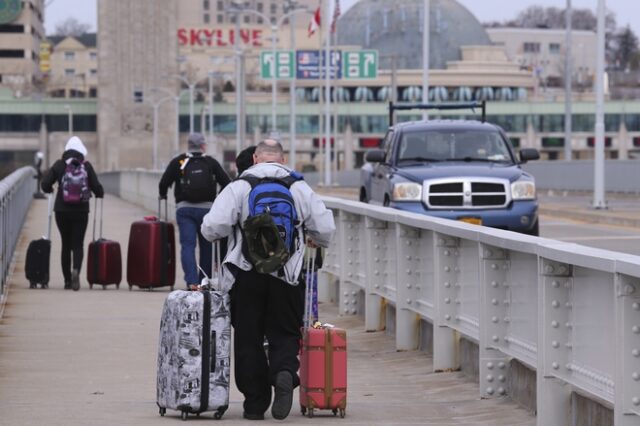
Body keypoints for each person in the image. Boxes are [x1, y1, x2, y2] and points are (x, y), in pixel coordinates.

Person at [201, 139, 335, 421]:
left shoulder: (240, 186)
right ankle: (285, 372)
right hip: (288, 274)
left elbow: (213, 227)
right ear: (282, 160)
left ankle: (254, 403)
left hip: (246, 273)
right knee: (284, 331)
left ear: (255, 159)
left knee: (248, 336)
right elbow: (325, 229)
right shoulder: (297, 186)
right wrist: (311, 236)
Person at [159, 133, 231, 289]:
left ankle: (192, 282)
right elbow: (227, 182)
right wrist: (217, 200)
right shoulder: (211, 162)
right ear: (203, 146)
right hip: (208, 211)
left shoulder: (179, 161)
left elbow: (164, 182)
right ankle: (204, 282)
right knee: (207, 247)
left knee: (188, 246)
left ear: (188, 145)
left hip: (185, 209)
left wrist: (163, 194)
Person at [41, 136, 104, 291]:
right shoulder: (86, 166)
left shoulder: (59, 164)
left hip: (61, 211)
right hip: (81, 211)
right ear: (82, 151)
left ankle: (68, 281)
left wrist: (50, 190)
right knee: (78, 244)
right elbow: (97, 188)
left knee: (65, 244)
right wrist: (99, 193)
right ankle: (76, 269)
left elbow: (44, 184)